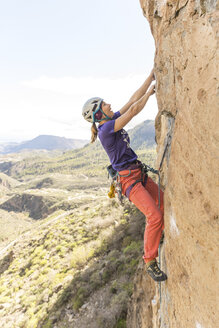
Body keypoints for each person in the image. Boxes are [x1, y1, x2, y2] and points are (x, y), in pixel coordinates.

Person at [82, 70, 167, 282]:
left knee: (163, 203)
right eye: (105, 104)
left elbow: (131, 101)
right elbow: (135, 110)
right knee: (154, 215)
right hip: (130, 181)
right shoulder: (106, 129)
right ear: (99, 115)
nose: (109, 105)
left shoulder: (110, 121)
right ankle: (150, 260)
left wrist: (150, 77)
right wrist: (150, 93)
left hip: (137, 173)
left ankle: (160, 235)